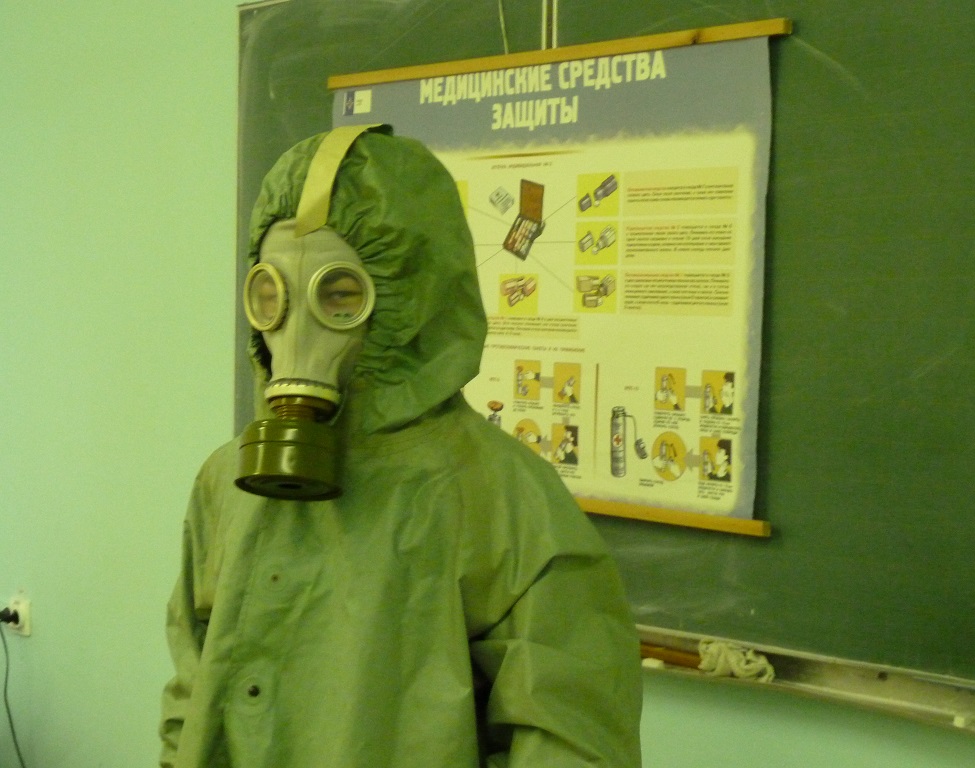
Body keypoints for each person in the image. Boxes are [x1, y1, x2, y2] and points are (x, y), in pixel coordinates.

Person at [159, 125, 643, 768]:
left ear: (412, 298)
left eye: (338, 296)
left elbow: (570, 738)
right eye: (272, 296)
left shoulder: (501, 497)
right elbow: (192, 688)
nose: (296, 332)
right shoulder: (227, 480)